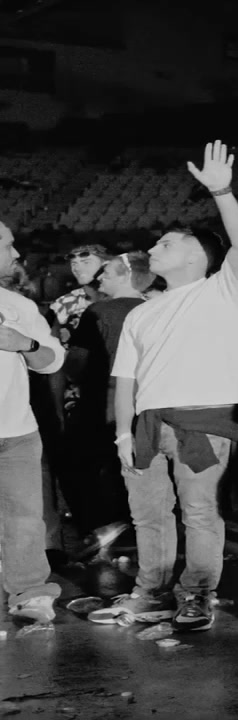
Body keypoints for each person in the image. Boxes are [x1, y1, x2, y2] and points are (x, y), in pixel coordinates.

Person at [96, 141, 238, 630]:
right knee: (148, 516)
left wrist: (222, 192)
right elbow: (126, 378)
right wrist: (123, 434)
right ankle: (153, 593)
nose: (152, 250)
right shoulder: (141, 312)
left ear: (196, 257)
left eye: (165, 244)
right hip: (146, 426)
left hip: (203, 423)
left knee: (200, 512)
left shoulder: (224, 291)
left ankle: (198, 594)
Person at [62, 252, 153, 550]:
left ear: (126, 276)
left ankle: (100, 528)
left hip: (103, 401)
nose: (100, 278)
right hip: (145, 402)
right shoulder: (156, 309)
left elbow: (77, 361)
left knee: (82, 465)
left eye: (107, 273)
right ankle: (135, 527)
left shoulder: (99, 311)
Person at [0, 220, 65, 624]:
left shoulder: (18, 306)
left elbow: (53, 361)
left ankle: (28, 592)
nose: (16, 254)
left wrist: (23, 343)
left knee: (25, 519)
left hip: (17, 433)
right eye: (7, 245)